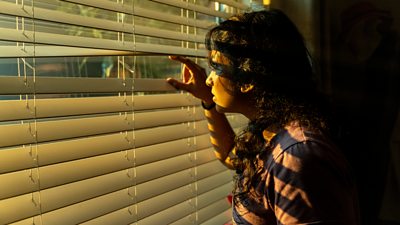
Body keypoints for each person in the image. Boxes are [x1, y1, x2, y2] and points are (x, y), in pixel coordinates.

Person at [167, 9, 360, 225]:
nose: (209, 80)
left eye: (217, 69)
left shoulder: (297, 157)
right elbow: (231, 156)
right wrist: (208, 101)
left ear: (248, 79)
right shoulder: (270, 131)